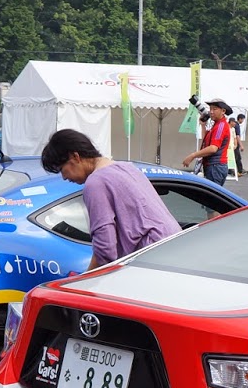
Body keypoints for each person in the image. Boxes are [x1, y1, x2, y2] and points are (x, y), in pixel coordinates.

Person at [41, 129, 182, 269]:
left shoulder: (96, 182)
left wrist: (86, 281)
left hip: (151, 259)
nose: (64, 177)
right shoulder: (127, 168)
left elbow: (105, 249)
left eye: (62, 169)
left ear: (75, 157)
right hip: (174, 250)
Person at [180, 99, 232, 186]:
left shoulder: (220, 126)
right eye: (210, 109)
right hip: (214, 166)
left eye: (214, 109)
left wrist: (193, 156)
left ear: (223, 111)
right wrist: (203, 125)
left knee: (212, 197)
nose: (211, 112)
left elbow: (213, 148)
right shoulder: (217, 125)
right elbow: (206, 142)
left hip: (215, 166)